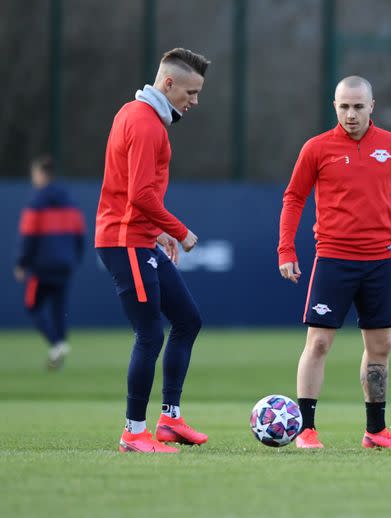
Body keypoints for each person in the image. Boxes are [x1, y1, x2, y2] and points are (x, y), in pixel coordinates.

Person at [278, 75, 391, 449]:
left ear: (372, 106)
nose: (351, 114)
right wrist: (286, 250)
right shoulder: (317, 148)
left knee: (382, 346)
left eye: (358, 106)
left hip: (377, 261)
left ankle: (375, 432)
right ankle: (306, 430)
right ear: (334, 106)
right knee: (320, 342)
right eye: (344, 106)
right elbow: (293, 198)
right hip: (333, 260)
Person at [95, 48, 210, 454]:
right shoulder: (145, 123)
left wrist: (156, 232)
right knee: (149, 334)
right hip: (124, 242)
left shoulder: (140, 115)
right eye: (191, 92)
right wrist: (179, 231)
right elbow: (141, 194)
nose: (194, 101)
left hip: (139, 236)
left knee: (188, 320)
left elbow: (133, 191)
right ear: (168, 84)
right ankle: (133, 431)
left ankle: (170, 419)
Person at [14, 155, 85, 370]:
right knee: (58, 309)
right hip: (64, 264)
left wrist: (21, 263)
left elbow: (28, 237)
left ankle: (56, 344)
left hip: (42, 266)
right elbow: (80, 236)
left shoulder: (35, 203)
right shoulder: (70, 202)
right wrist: (74, 259)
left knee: (32, 305)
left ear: (41, 174)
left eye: (34, 173)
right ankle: (59, 350)